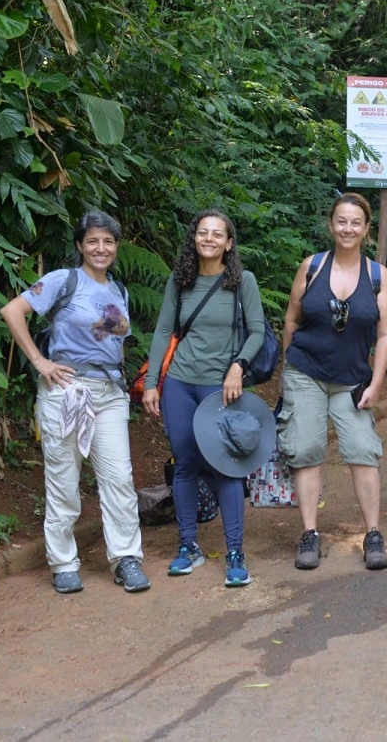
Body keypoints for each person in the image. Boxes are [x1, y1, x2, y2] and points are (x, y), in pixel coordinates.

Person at [0, 211, 149, 595]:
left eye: (108, 242)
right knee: (64, 478)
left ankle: (126, 559)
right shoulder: (62, 281)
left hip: (110, 393)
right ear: (80, 246)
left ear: (116, 247)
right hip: (67, 390)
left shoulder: (118, 290)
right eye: (93, 241)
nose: (101, 248)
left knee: (119, 478)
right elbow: (12, 311)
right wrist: (40, 361)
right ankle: (64, 562)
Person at [142, 210, 267, 587]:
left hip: (221, 387)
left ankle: (234, 553)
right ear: (193, 238)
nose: (209, 239)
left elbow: (258, 332)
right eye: (202, 232)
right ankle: (188, 546)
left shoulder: (242, 281)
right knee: (185, 464)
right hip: (180, 382)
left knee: (226, 466)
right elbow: (164, 330)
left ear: (229, 243)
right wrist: (152, 383)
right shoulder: (180, 281)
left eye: (217, 234)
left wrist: (237, 368)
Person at [280, 193, 387, 572]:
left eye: (355, 223)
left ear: (365, 229)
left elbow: (384, 333)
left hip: (353, 380)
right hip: (306, 372)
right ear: (331, 225)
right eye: (341, 221)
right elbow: (292, 320)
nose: (348, 228)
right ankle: (310, 534)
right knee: (307, 448)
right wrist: (287, 371)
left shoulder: (378, 276)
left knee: (363, 449)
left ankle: (373, 534)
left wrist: (377, 383)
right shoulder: (311, 267)